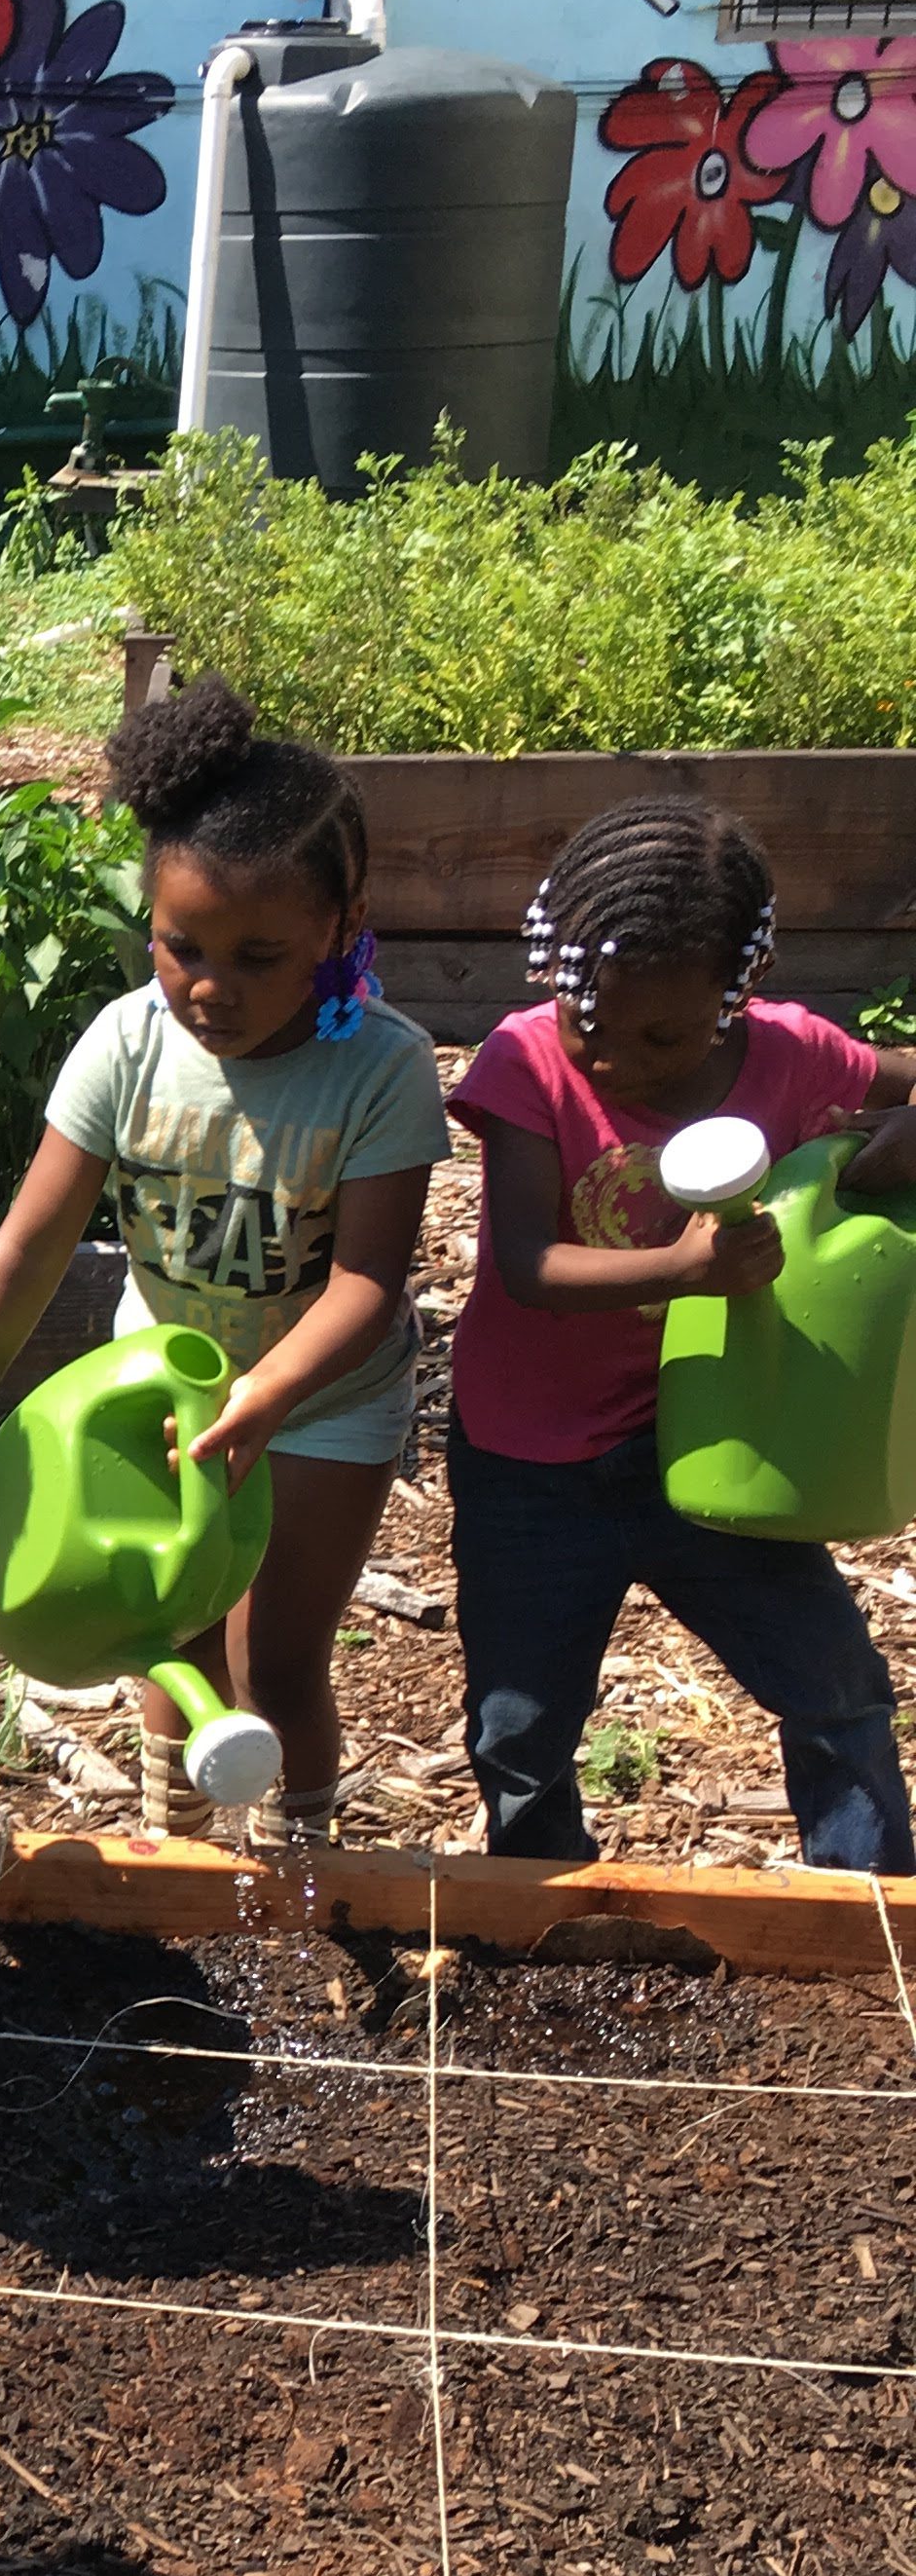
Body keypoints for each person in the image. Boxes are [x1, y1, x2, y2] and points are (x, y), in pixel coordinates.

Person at [0, 677, 450, 1846]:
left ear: (338, 924)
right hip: (161, 1390)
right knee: (167, 1629)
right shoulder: (126, 1044)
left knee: (275, 1656)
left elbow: (367, 1286)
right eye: (181, 946)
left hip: (320, 1404)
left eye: (258, 955)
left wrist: (267, 1397)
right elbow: (25, 1254)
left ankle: (303, 1877)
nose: (211, 987)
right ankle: (180, 1857)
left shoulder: (381, 1073)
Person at [446, 796, 916, 1869]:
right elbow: (528, 1267)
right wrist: (684, 1270)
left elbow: (904, 1078)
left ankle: (871, 1911)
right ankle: (539, 1906)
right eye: (590, 1020)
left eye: (660, 1035)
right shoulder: (529, 1066)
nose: (614, 1060)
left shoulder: (792, 1057)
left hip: (722, 1445)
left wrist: (900, 1135)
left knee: (835, 1687)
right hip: (533, 1462)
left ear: (732, 998)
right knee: (519, 1725)